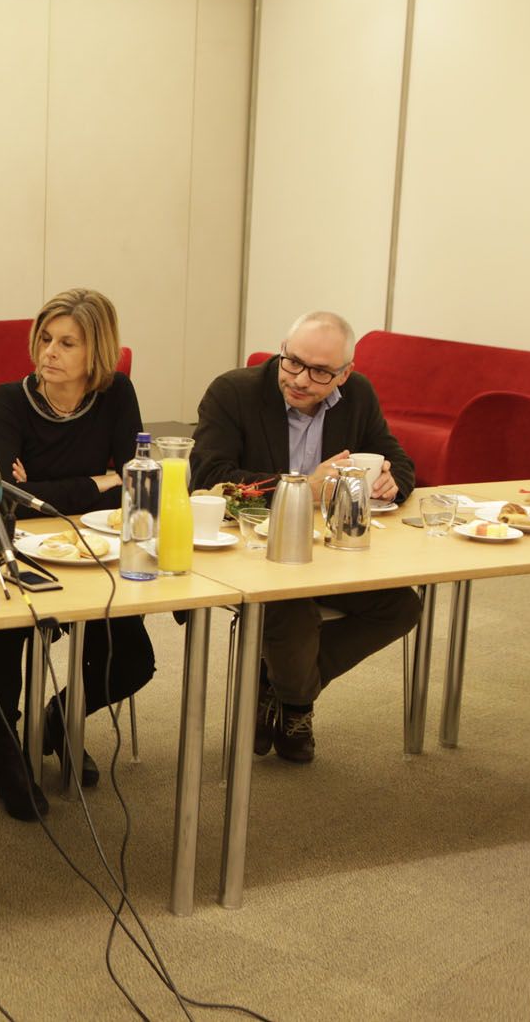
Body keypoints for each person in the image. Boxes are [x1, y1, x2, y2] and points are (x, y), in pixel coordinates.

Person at [191, 310, 421, 763]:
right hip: (254, 549)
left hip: (332, 549)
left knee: (401, 607)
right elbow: (208, 477)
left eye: (319, 372)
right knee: (291, 615)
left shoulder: (357, 396)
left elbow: (398, 459)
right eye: (291, 362)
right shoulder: (233, 392)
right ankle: (297, 703)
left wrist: (393, 482)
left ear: (344, 373)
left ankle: (277, 688)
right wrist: (301, 486)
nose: (299, 379)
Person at [0, 289, 155, 821]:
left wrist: (49, 485)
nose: (49, 351)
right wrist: (97, 479)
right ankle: (5, 747)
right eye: (45, 339)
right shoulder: (9, 399)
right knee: (4, 631)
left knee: (134, 660)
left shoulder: (117, 394)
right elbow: (1, 494)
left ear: (94, 352)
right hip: (20, 549)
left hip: (94, 550)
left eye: (66, 343)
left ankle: (55, 719)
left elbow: (135, 485)